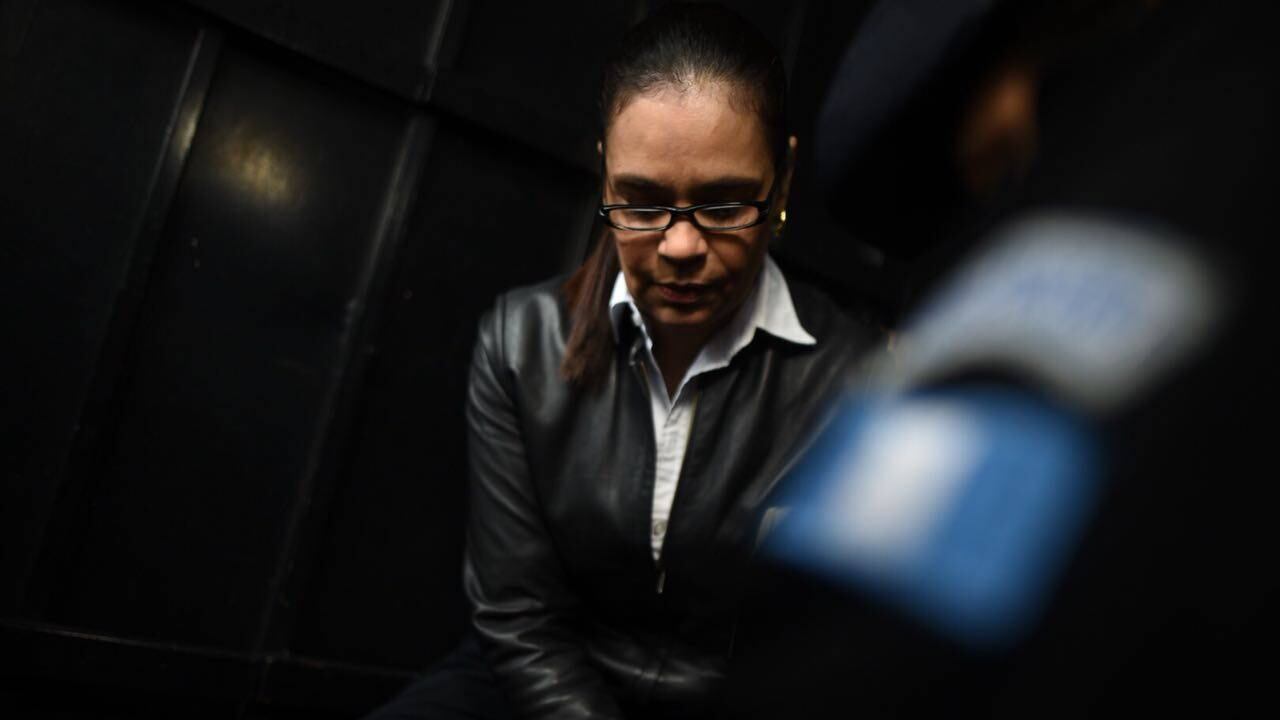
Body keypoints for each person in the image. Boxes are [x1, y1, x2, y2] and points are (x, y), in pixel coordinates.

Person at [366, 4, 880, 719]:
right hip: (539, 684)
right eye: (640, 203)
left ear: (783, 182)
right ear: (606, 176)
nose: (680, 246)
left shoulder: (857, 380)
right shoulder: (520, 344)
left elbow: (830, 653)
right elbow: (518, 616)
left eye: (725, 206)